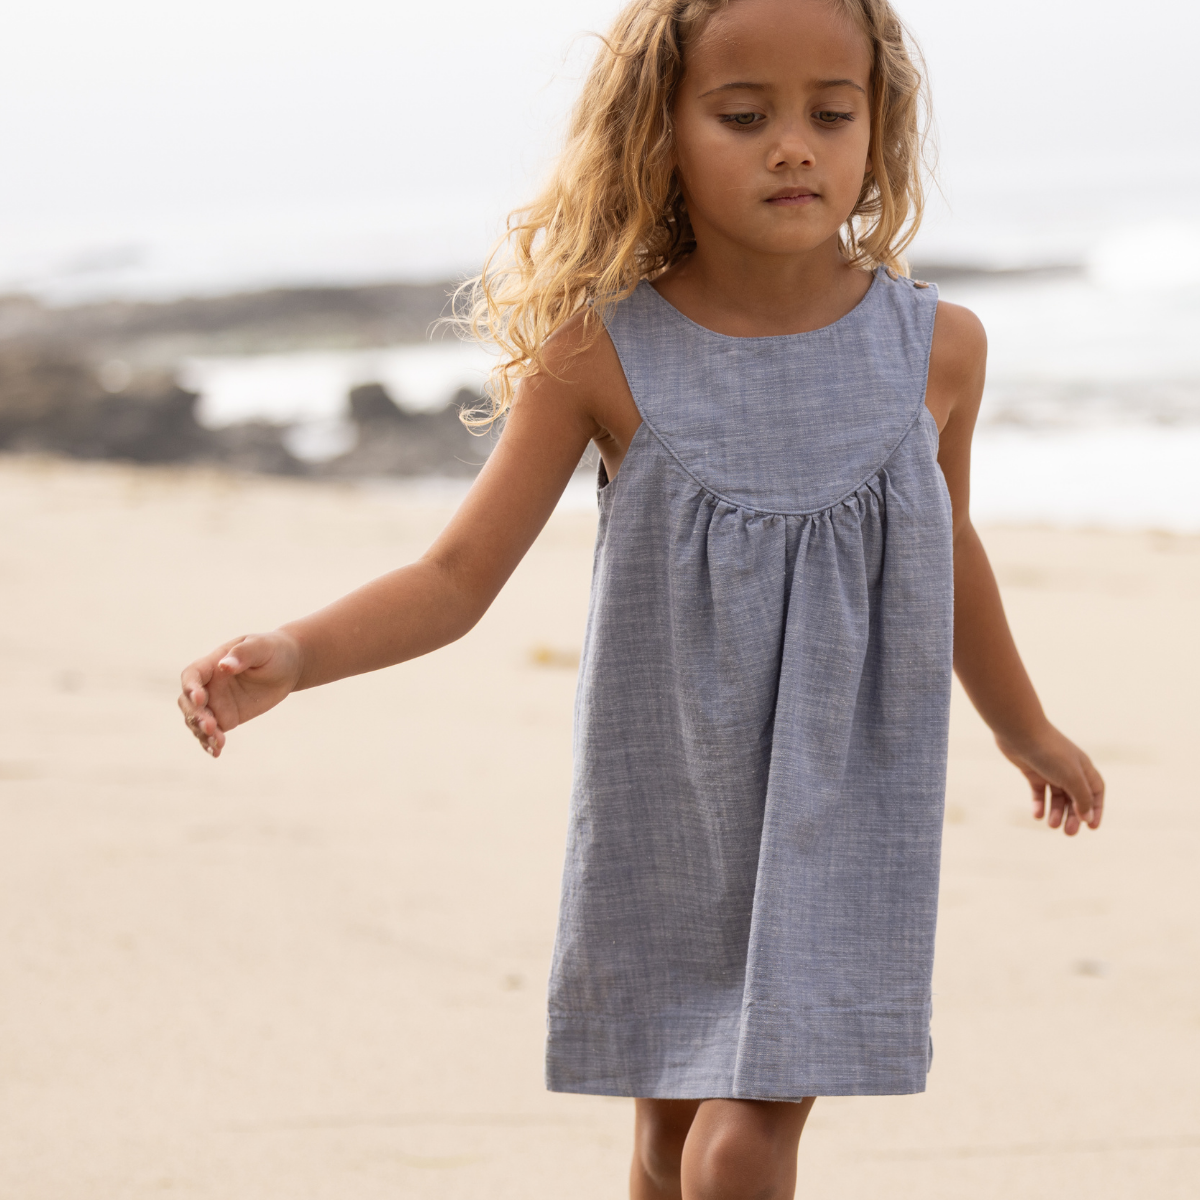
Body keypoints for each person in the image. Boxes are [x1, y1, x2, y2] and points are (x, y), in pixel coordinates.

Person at [178, 0, 1106, 1196]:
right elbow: (456, 578)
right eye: (743, 115)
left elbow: (952, 544)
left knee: (737, 1144)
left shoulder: (939, 349)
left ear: (879, 128)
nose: (793, 146)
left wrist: (1019, 722)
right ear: (657, 134)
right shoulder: (600, 351)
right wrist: (298, 653)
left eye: (832, 113)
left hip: (848, 795)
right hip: (670, 804)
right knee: (666, 1149)